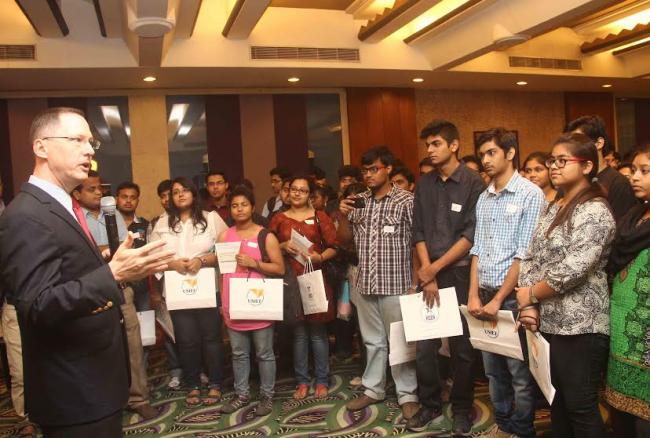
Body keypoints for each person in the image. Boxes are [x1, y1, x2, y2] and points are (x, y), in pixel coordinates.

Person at [0, 107, 173, 437]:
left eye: (91, 142)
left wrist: (116, 268)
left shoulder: (63, 205)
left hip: (94, 378)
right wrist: (112, 274)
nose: (89, 150)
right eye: (77, 140)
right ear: (41, 147)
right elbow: (38, 305)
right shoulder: (26, 215)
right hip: (72, 389)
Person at [517, 133, 616, 437]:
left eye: (563, 161)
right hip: (549, 321)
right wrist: (529, 304)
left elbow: (573, 269)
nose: (554, 167)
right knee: (557, 403)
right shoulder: (553, 206)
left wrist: (530, 294)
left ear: (587, 166)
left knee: (580, 405)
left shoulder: (595, 210)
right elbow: (530, 255)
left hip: (581, 327)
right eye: (552, 160)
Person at [409, 120, 486, 434]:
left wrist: (434, 269)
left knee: (462, 349)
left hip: (459, 273)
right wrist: (427, 274)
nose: (430, 150)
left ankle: (462, 408)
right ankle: (429, 404)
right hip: (429, 274)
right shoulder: (424, 183)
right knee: (425, 346)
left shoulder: (473, 182)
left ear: (454, 145)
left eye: (436, 143)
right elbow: (418, 230)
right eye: (427, 144)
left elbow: (470, 236)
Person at [468, 128, 545, 438]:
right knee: (492, 372)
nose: (485, 160)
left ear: (510, 153)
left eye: (492, 153)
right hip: (484, 293)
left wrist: (498, 300)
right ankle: (503, 424)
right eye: (482, 154)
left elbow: (523, 255)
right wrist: (473, 295)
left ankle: (523, 429)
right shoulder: (483, 197)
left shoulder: (530, 194)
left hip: (512, 298)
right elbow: (477, 249)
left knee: (519, 374)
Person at [338, 146, 419, 421]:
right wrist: (343, 214)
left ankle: (407, 394)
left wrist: (416, 283)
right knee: (372, 341)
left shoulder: (406, 201)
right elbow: (344, 240)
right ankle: (374, 388)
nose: (369, 175)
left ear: (388, 169)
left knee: (400, 341)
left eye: (374, 169)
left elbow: (418, 243)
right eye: (365, 170)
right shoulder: (359, 201)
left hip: (397, 283)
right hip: (365, 283)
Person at [150, 177, 228, 406]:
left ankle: (215, 384)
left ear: (194, 194)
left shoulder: (210, 218)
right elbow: (152, 257)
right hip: (177, 291)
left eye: (185, 190)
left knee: (211, 338)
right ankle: (193, 384)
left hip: (207, 288)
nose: (181, 195)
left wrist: (202, 260)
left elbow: (227, 250)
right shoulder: (162, 223)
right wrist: (171, 264)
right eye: (175, 192)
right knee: (186, 340)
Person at [269, 176, 339, 399]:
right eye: (294, 189)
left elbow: (335, 246)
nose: (297, 193)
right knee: (299, 334)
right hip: (290, 281)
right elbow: (267, 247)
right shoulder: (278, 219)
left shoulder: (320, 217)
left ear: (310, 194)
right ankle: (302, 381)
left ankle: (322, 380)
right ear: (288, 192)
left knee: (318, 333)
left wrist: (320, 257)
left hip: (315, 278)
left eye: (303, 190)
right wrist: (282, 245)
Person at [218, 185, 284, 417]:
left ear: (253, 207)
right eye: (234, 206)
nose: (239, 209)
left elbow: (279, 268)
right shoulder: (224, 236)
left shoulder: (265, 235)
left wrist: (254, 263)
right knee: (238, 354)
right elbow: (222, 272)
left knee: (264, 353)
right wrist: (223, 302)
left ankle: (266, 396)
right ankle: (242, 395)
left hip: (259, 302)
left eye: (244, 204)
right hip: (233, 305)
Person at [605, 144, 650, 438]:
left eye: (644, 171)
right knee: (622, 419)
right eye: (633, 170)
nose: (634, 177)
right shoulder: (634, 217)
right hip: (623, 329)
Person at [565, 115, 637, 221]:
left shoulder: (618, 183)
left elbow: (620, 225)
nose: (573, 148)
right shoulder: (572, 180)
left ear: (599, 143)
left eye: (579, 142)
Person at [72, 170, 128, 250]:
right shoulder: (73, 217)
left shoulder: (113, 212)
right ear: (77, 195)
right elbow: (79, 251)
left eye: (100, 188)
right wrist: (112, 248)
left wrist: (96, 250)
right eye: (92, 189)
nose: (99, 192)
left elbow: (126, 245)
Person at [116, 181, 150, 311]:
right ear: (117, 199)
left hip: (142, 287)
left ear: (138, 201)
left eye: (133, 197)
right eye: (124, 197)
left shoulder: (145, 225)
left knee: (145, 321)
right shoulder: (107, 224)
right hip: (116, 286)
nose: (128, 201)